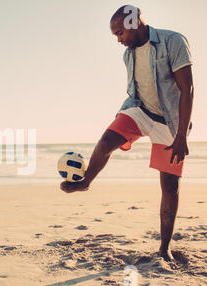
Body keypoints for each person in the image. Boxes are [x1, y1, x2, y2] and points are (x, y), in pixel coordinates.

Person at [60, 5, 194, 262]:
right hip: (140, 110)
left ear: (134, 23)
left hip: (171, 123)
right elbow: (137, 89)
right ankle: (86, 182)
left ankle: (164, 248)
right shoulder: (128, 55)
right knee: (107, 140)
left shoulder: (173, 41)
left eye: (120, 32)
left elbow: (187, 89)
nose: (119, 39)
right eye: (115, 35)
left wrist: (181, 137)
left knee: (169, 186)